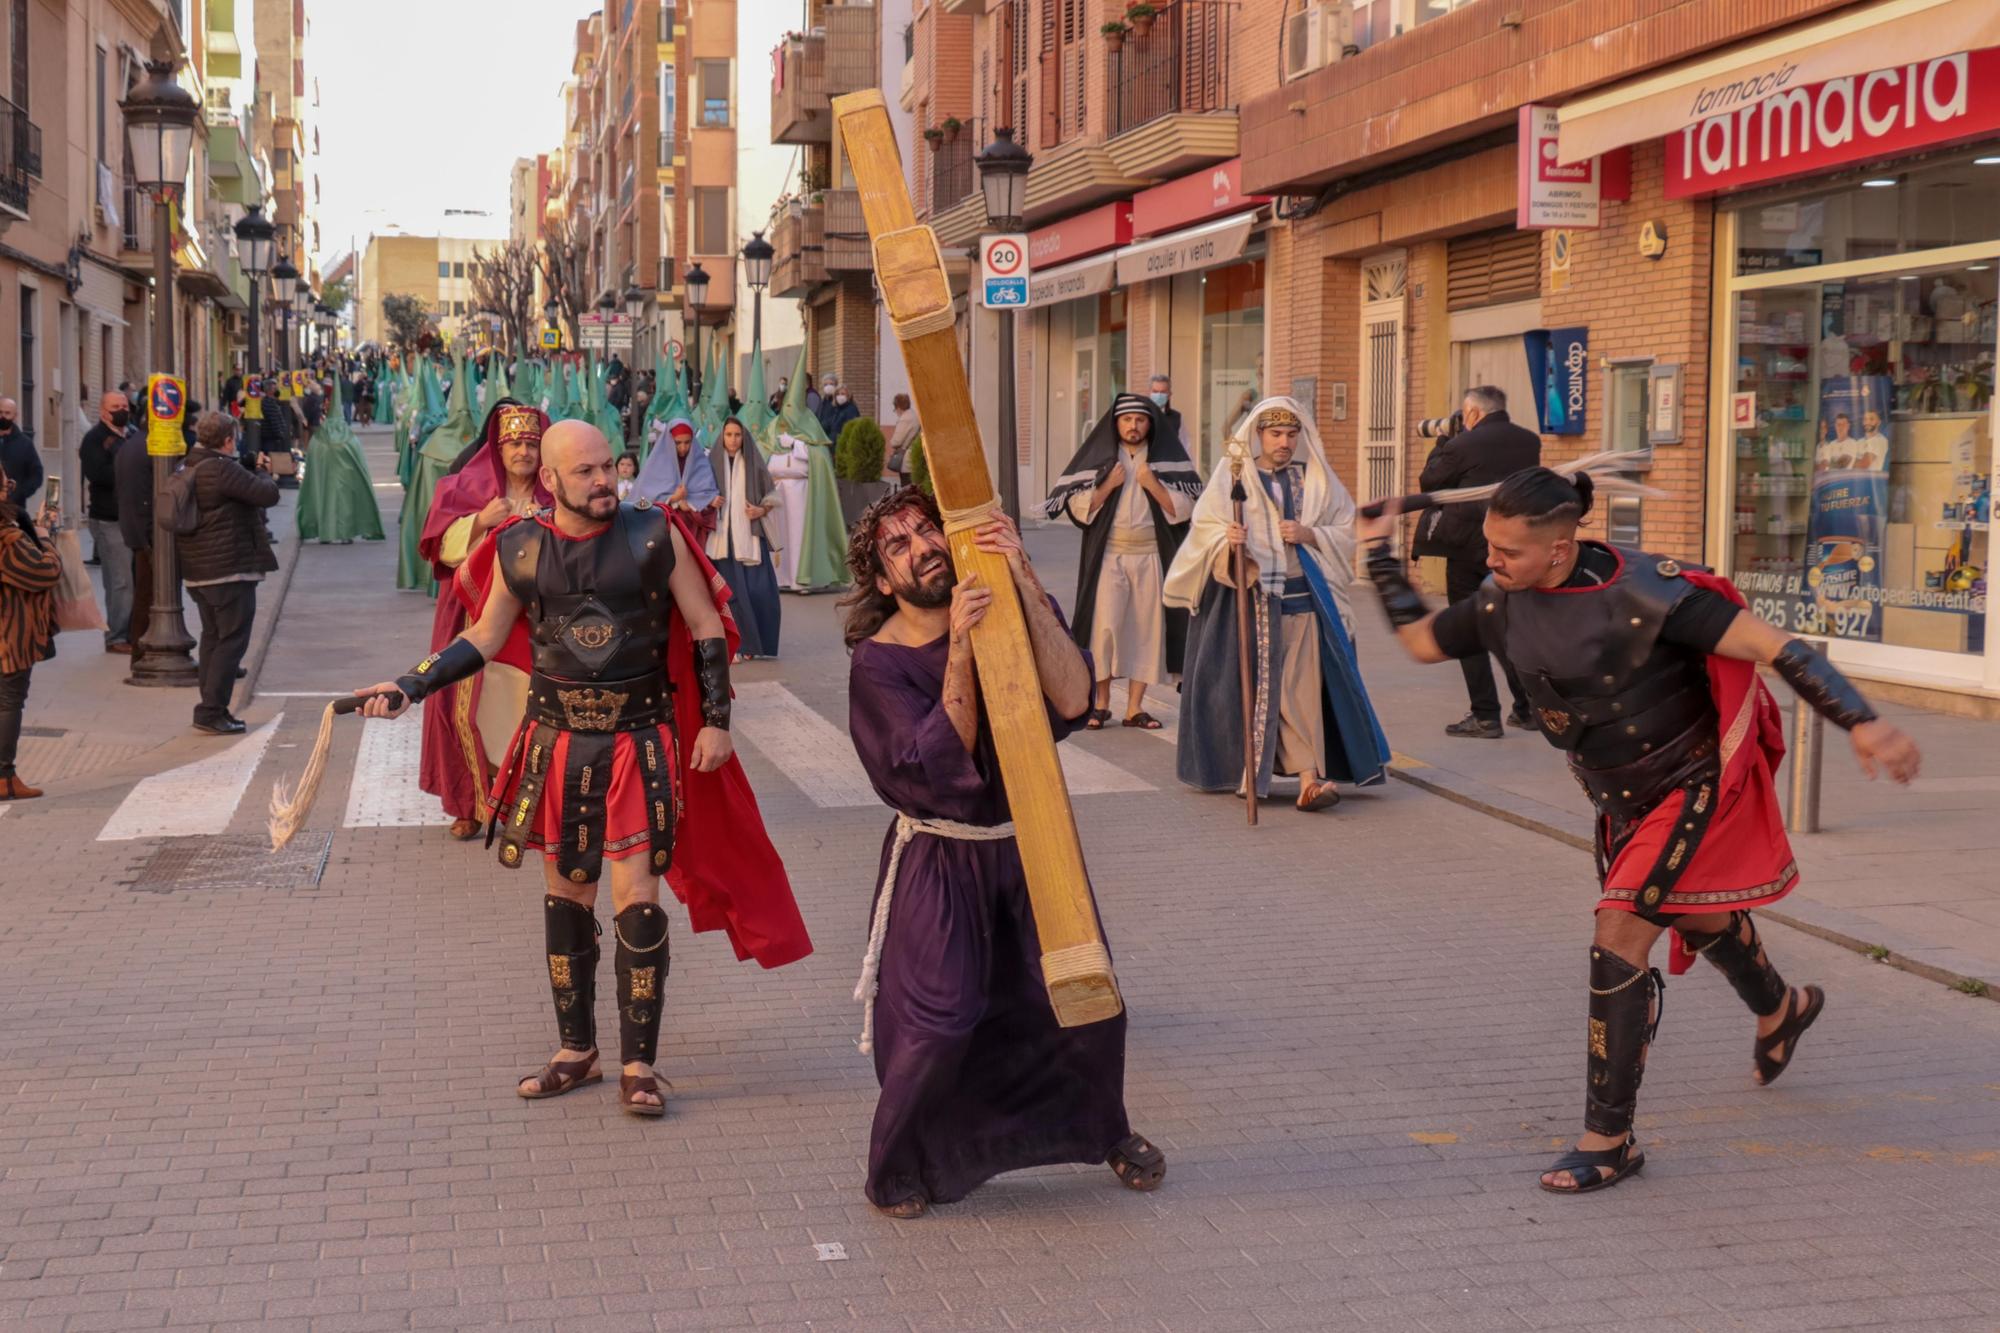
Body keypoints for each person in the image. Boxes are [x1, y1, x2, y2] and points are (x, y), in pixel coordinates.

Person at [1358, 467, 1923, 1192]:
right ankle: (1783, 1007)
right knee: (1693, 912)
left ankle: (1609, 1139)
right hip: (1616, 796)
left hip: (1689, 782)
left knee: (1619, 929)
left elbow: (1779, 647)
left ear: (1561, 548)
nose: (1490, 563)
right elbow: (1420, 643)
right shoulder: (1505, 597)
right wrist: (1378, 554)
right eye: (1489, 547)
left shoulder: (1652, 595)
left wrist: (1864, 721)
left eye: (1507, 551)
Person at [356, 421, 812, 1117]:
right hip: (559, 745)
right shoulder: (519, 545)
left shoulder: (656, 534)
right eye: (588, 472)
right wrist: (409, 684)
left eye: (610, 467)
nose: (605, 481)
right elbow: (480, 635)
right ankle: (578, 1051)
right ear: (552, 479)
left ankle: (638, 1064)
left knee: (637, 901)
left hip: (641, 740)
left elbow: (706, 625)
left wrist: (717, 719)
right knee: (568, 901)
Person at [840, 486, 1162, 1217]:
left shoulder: (1006, 616)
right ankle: (895, 1166)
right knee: (941, 1019)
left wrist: (1024, 581)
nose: (922, 546)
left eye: (928, 531)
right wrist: (958, 643)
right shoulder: (878, 663)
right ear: (884, 581)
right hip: (942, 857)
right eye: (900, 545)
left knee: (1087, 1001)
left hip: (1028, 840)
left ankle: (1103, 1130)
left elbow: (1077, 696)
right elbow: (932, 768)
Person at [1165, 398, 1389, 811]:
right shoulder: (1234, 477)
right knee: (1251, 690)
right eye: (1275, 434)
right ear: (1259, 435)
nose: (1284, 442)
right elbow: (1204, 529)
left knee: (1299, 692)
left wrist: (1307, 533)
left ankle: (1308, 780)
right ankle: (1250, 773)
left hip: (1303, 603)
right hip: (1247, 604)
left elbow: (1345, 527)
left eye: (1291, 434)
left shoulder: (1316, 481)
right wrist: (1225, 540)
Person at [416, 401, 551, 840]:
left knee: (525, 713)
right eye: (515, 443)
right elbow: (441, 549)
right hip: (471, 615)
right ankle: (469, 805)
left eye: (531, 444)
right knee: (460, 711)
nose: (523, 453)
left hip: (534, 620)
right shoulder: (467, 486)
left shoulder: (556, 492)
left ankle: (519, 806)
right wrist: (480, 521)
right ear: (499, 445)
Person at [1042, 393, 1200, 730]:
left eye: (1140, 420)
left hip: (1149, 556)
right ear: (1116, 424)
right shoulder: (1103, 461)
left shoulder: (1163, 462)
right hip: (1111, 555)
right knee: (1106, 627)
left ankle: (1134, 708)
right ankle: (1101, 704)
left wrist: (1151, 483)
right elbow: (1079, 508)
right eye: (1127, 420)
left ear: (1150, 424)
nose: (1133, 426)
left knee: (1145, 629)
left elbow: (1183, 510)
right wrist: (1108, 486)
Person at [1412, 386, 1541, 738]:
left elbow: (1429, 482)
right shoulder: (1529, 441)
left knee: (1470, 628)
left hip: (1467, 548)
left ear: (1471, 414)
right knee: (1509, 627)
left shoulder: (1461, 444)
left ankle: (1485, 715)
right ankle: (1527, 709)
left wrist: (1441, 442)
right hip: (1510, 546)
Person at [180, 412, 281, 736]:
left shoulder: (190, 466)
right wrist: (265, 472)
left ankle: (209, 706)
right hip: (227, 571)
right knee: (230, 643)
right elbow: (267, 495)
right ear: (227, 440)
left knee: (213, 639)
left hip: (200, 570)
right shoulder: (220, 469)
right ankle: (212, 710)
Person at [706, 416, 782, 661]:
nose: (733, 440)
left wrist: (761, 510)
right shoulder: (711, 462)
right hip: (721, 540)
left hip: (749, 537)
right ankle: (734, 646)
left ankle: (753, 644)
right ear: (722, 436)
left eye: (737, 435)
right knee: (729, 595)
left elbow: (771, 494)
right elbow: (699, 492)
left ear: (743, 437)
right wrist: (709, 500)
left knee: (758, 591)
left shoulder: (753, 462)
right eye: (728, 435)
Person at [0, 484, 57, 800]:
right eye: (5, 483)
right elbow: (44, 572)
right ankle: (4, 776)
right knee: (9, 700)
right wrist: (45, 538)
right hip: (9, 632)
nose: (9, 489)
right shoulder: (6, 539)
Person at [79, 392, 138, 654]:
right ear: (103, 411)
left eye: (124, 405)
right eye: (116, 407)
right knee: (120, 581)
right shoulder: (94, 439)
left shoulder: (134, 434)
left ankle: (133, 631)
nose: (121, 410)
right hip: (108, 519)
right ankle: (116, 637)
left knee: (134, 579)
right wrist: (128, 468)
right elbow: (98, 474)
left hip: (134, 518)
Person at [635, 415, 719, 544]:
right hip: (663, 531)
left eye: (687, 442)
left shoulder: (700, 463)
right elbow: (643, 499)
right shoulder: (657, 464)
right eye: (678, 443)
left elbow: (707, 493)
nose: (683, 448)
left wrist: (699, 502)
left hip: (693, 530)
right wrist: (674, 500)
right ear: (669, 441)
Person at [0, 398, 42, 512]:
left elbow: (37, 475)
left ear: (15, 416)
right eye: (0, 412)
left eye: (7, 413)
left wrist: (20, 493)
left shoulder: (25, 444)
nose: (2, 416)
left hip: (14, 509)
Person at [1147, 374, 1189, 452]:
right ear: (1149, 393)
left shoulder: (1177, 418)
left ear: (1169, 395)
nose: (1159, 395)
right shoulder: (1142, 415)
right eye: (1155, 391)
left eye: (1163, 392)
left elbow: (1185, 446)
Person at [884, 393, 918, 485]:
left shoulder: (905, 419)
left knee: (906, 487)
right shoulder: (913, 415)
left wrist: (891, 441)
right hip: (914, 456)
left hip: (906, 459)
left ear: (898, 407)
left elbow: (896, 441)